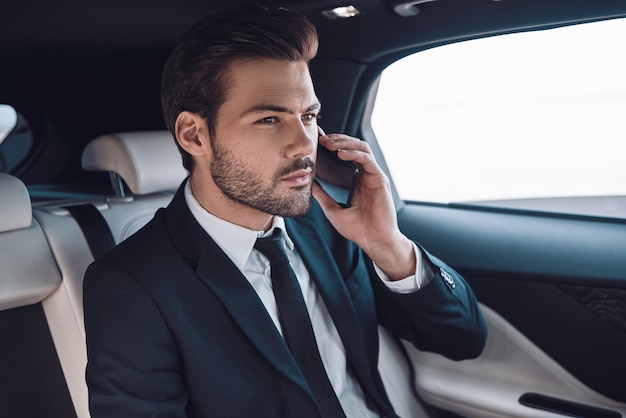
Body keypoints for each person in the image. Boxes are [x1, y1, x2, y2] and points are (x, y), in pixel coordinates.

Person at [83, 6, 487, 418]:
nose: (303, 144)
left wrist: (389, 246)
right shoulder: (133, 285)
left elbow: (463, 341)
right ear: (194, 135)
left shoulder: (329, 223)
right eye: (269, 119)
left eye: (309, 116)